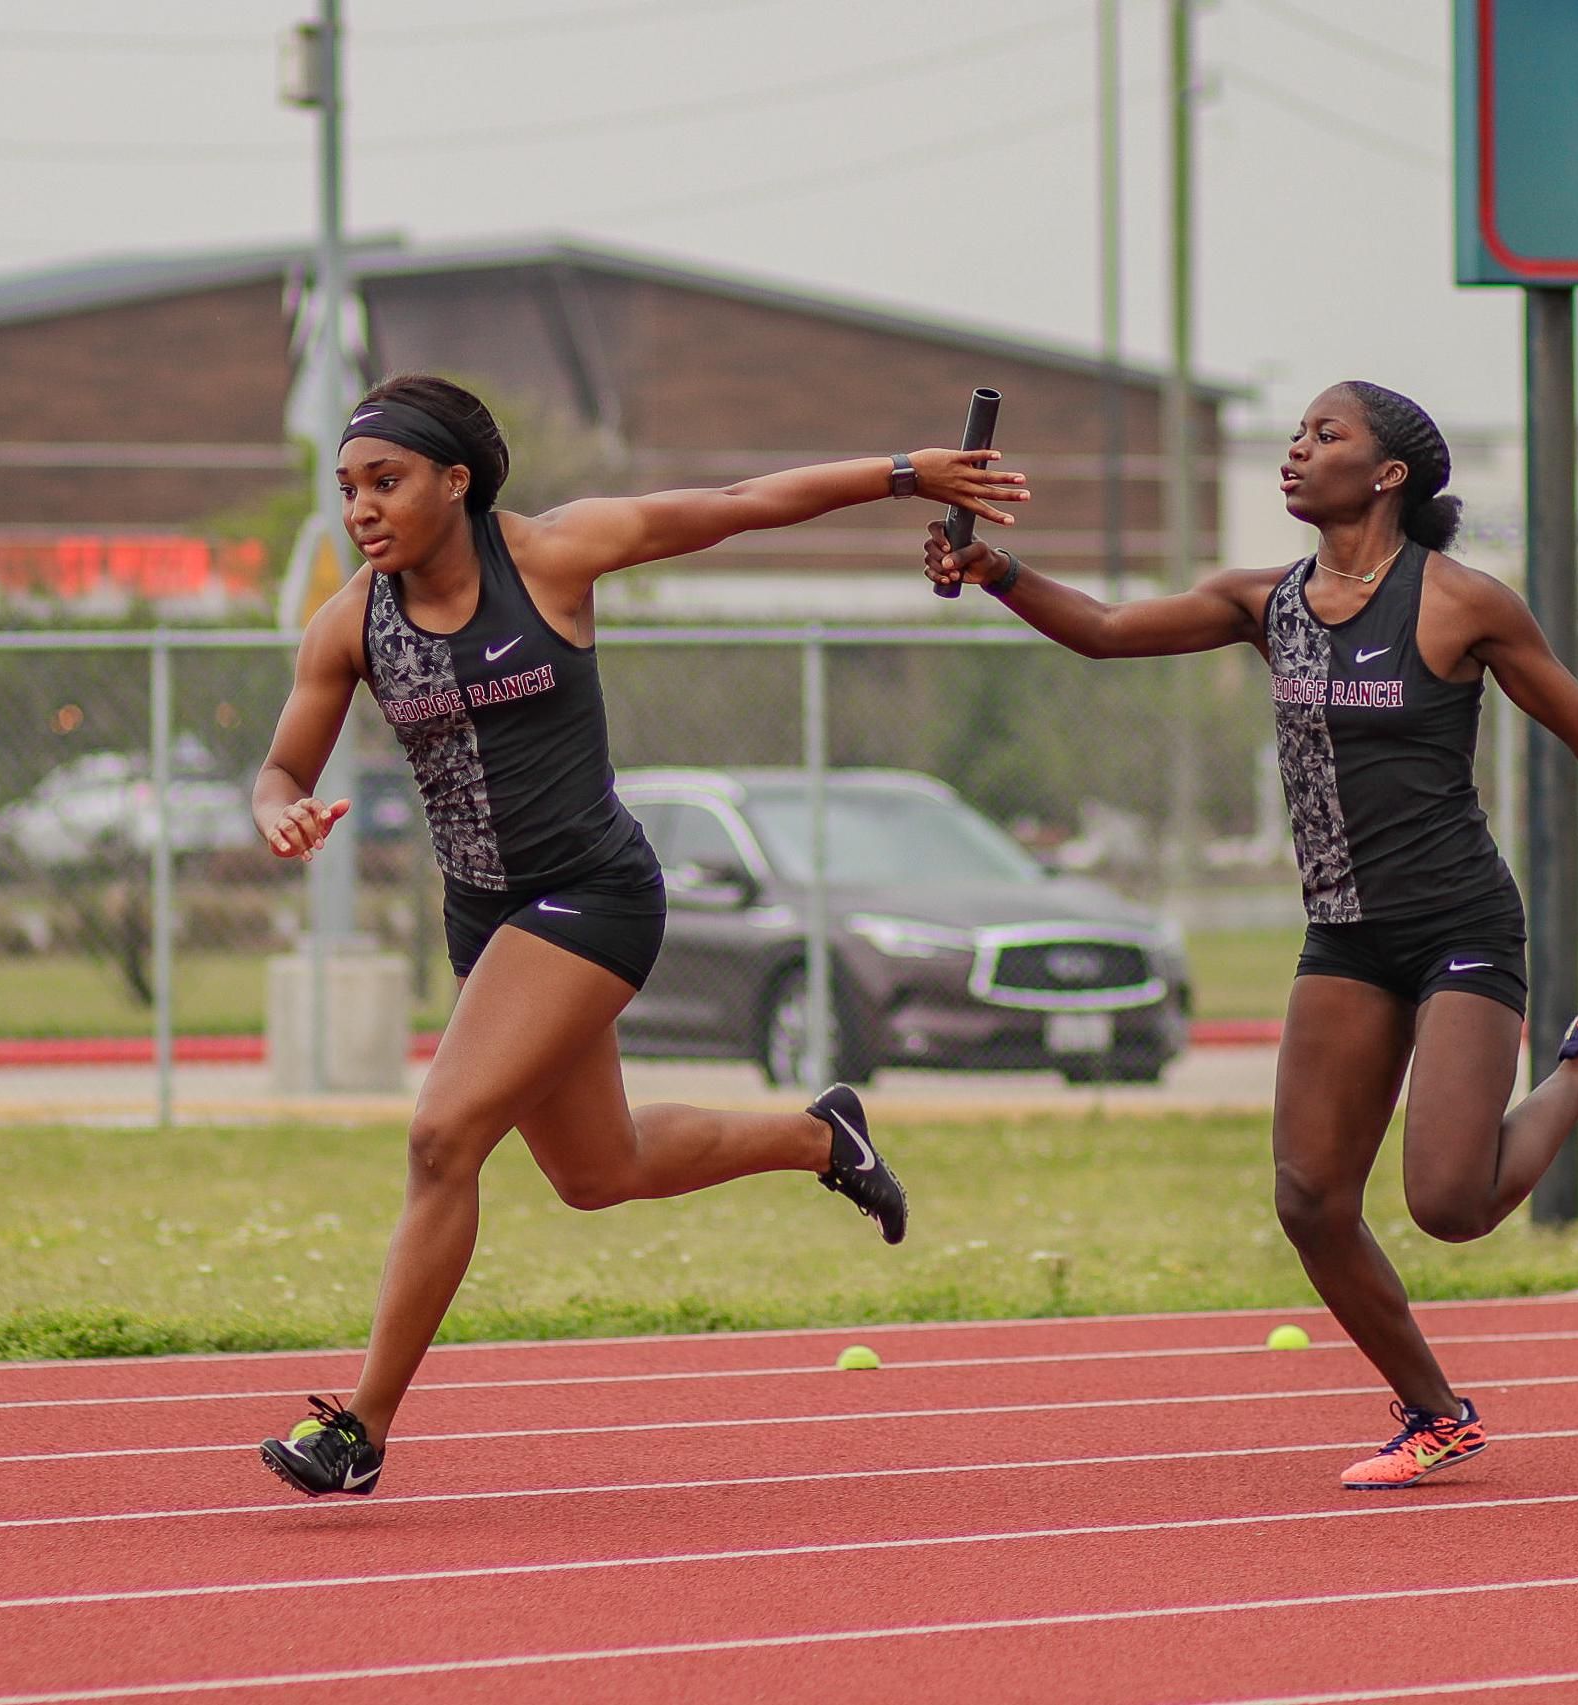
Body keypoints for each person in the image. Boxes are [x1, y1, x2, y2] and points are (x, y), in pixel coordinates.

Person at [923, 380, 1578, 1490]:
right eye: (1295, 435)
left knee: (1447, 1203)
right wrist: (996, 573)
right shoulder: (1266, 601)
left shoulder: (1460, 604)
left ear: (1387, 472)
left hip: (1457, 924)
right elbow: (1106, 633)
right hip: (1344, 932)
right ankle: (1435, 1413)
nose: (1295, 452)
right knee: (1308, 1198)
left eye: (1323, 435)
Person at [252, 373, 1028, 1497]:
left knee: (441, 1138)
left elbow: (745, 499)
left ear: (454, 481)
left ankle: (359, 1428)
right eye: (348, 489)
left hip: (594, 892)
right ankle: (822, 1139)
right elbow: (285, 763)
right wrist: (279, 808)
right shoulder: (350, 624)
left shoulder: (557, 556)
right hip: (487, 914)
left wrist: (906, 474)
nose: (360, 509)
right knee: (595, 1171)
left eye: (386, 482)